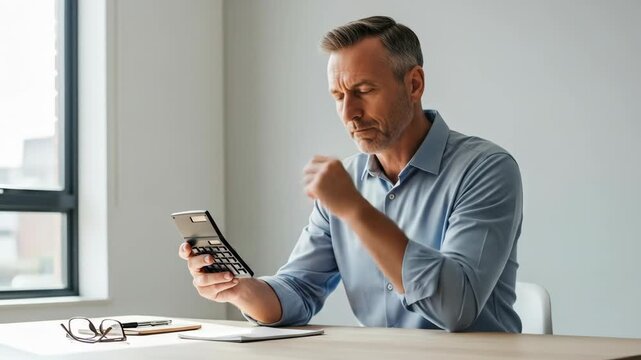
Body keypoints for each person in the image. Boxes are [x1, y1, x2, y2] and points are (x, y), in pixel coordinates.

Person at [179, 16, 523, 332]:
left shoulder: (486, 169)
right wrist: (238, 288)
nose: (349, 113)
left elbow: (455, 309)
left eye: (363, 91)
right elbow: (298, 291)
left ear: (414, 84)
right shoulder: (346, 180)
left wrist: (355, 210)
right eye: (338, 95)